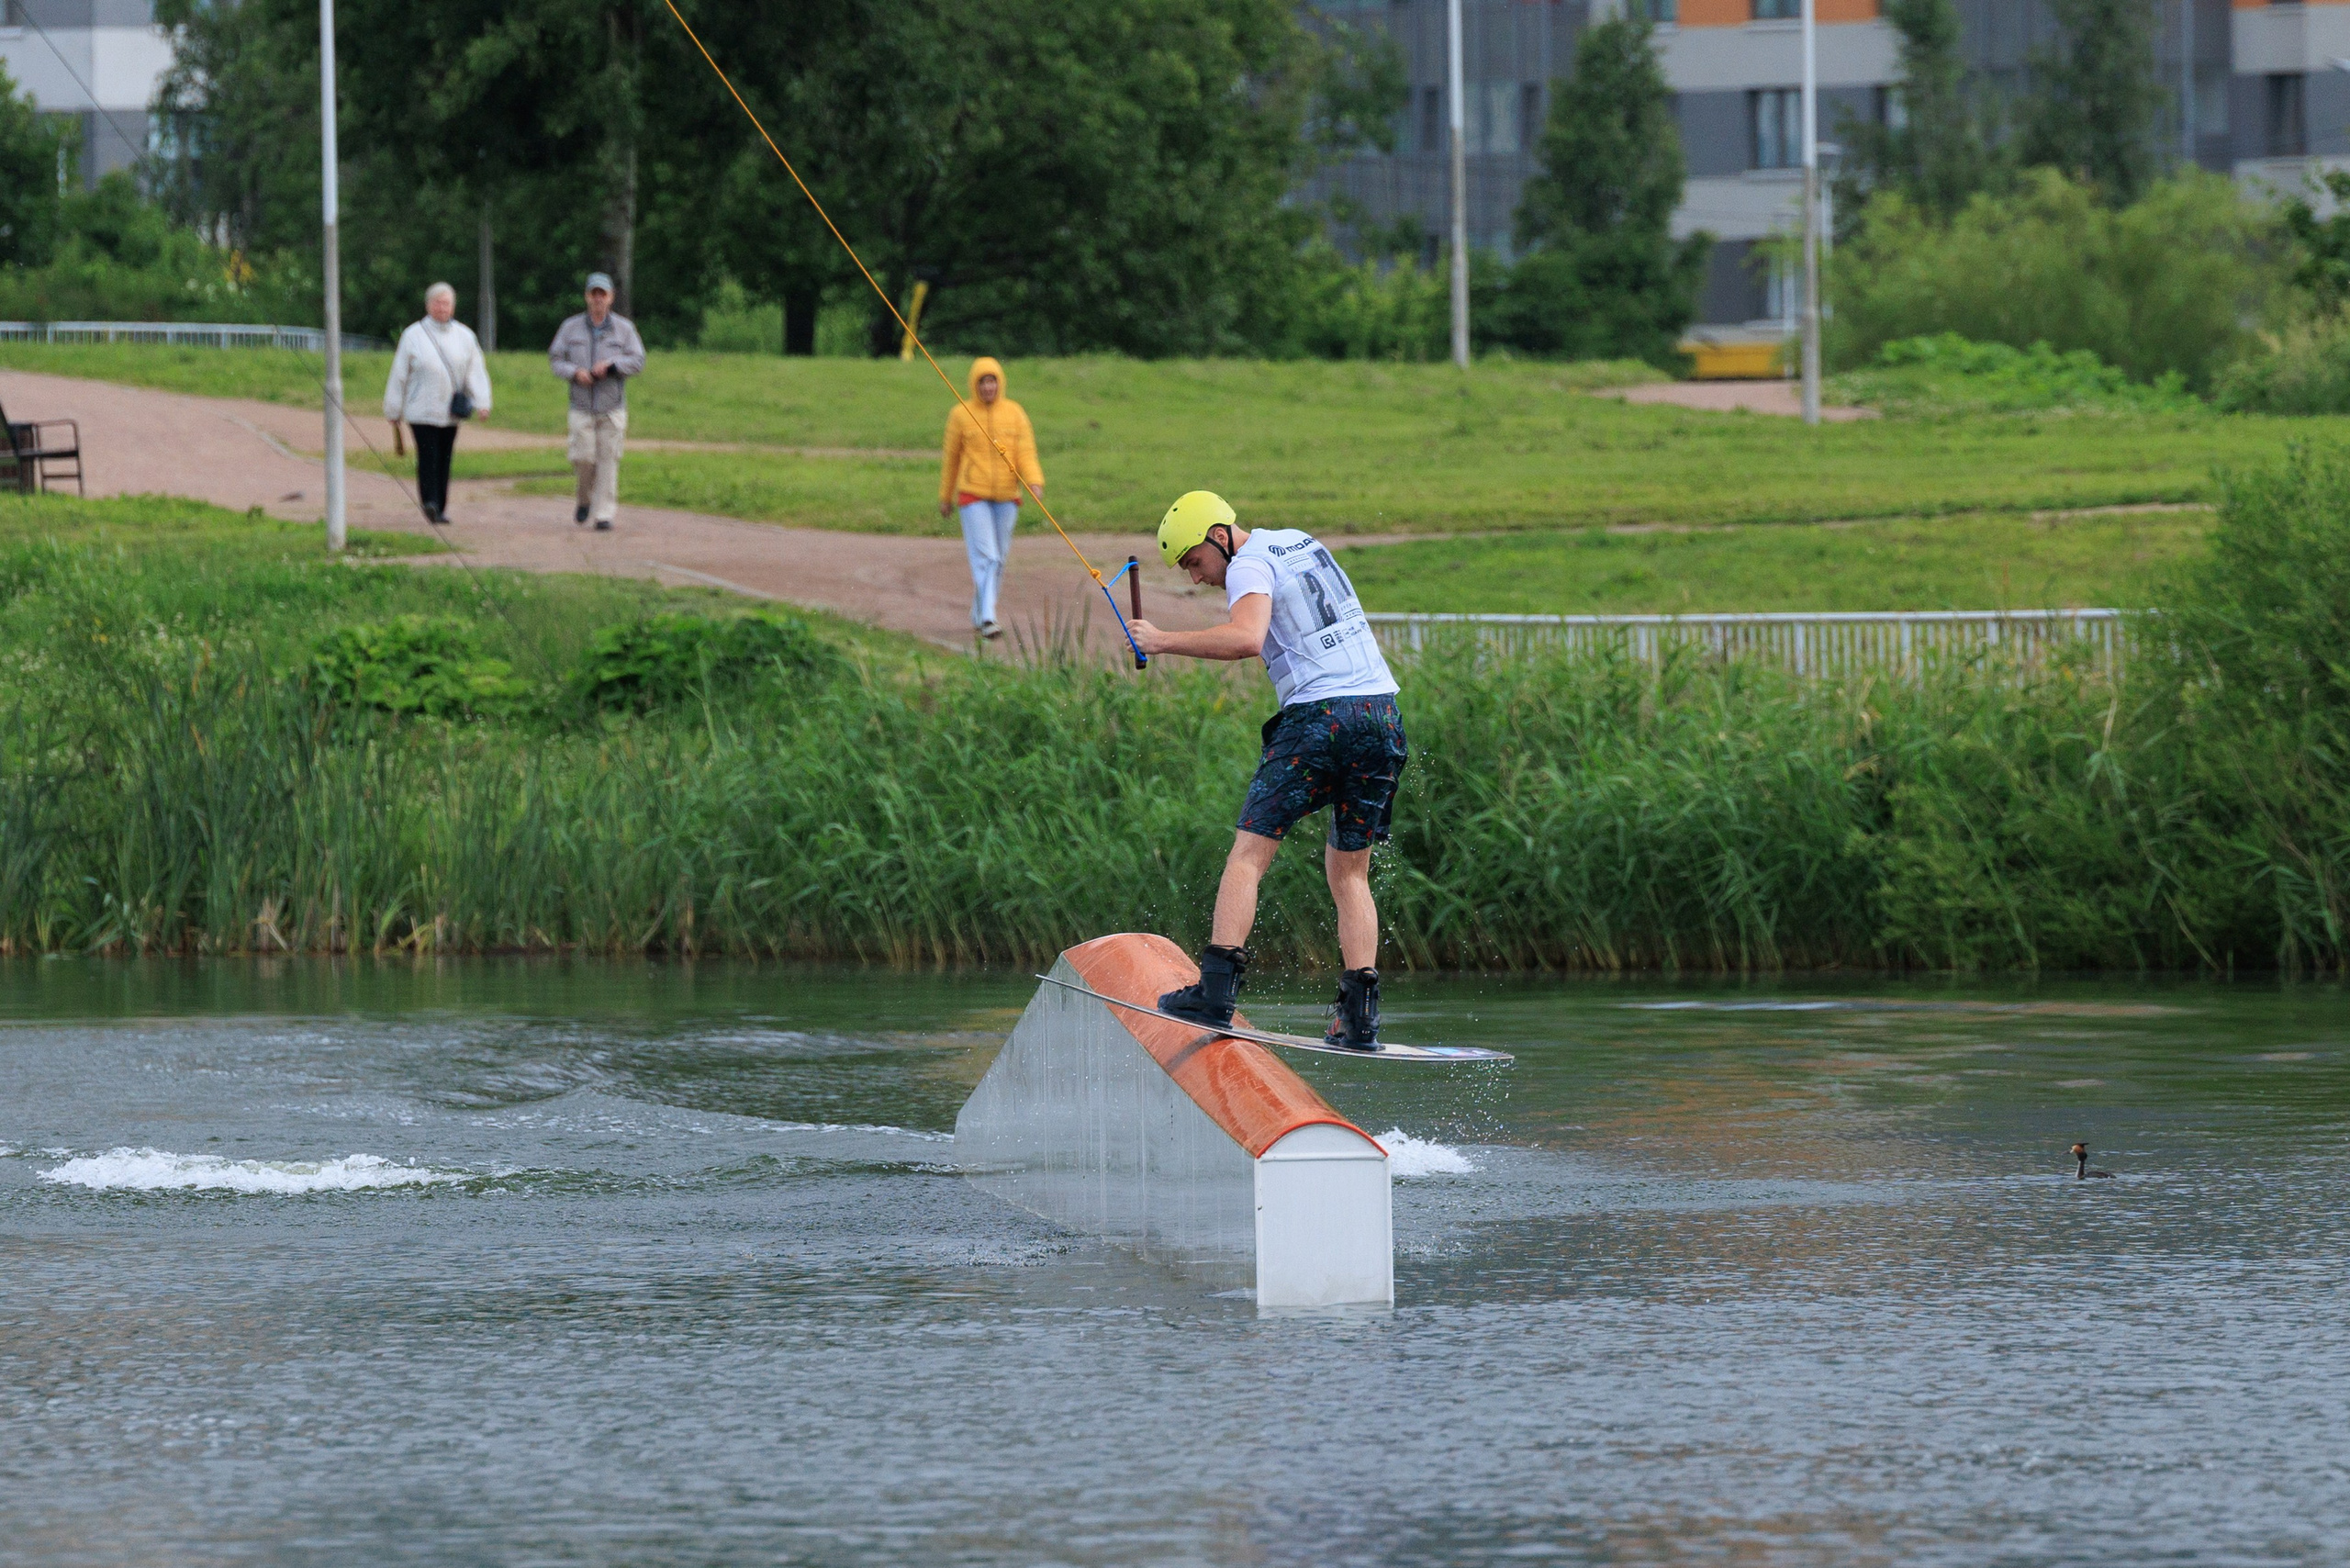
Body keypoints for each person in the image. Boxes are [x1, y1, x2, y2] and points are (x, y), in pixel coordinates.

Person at [1128, 491, 1405, 1049]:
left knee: (1249, 856)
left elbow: (1246, 638)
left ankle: (1215, 993)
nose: (1198, 578)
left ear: (1219, 536)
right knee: (1350, 874)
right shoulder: (1300, 540)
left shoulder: (1248, 563)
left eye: (1194, 562)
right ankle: (1358, 1019)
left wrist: (1162, 641)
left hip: (1320, 719)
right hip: (1382, 715)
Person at [936, 356, 1043, 640]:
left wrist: (1034, 481)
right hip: (973, 496)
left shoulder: (1015, 413)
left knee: (1000, 558)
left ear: (1000, 383)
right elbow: (951, 459)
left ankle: (979, 611)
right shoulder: (960, 414)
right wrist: (945, 496)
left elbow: (1025, 451)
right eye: (983, 382)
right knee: (987, 556)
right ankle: (988, 617)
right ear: (974, 384)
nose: (988, 387)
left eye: (992, 381)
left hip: (1007, 497)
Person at [382, 283, 491, 526]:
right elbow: (399, 373)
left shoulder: (464, 336)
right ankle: (429, 502)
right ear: (428, 305)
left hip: (450, 412)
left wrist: (482, 401)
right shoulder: (413, 335)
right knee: (428, 455)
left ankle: (440, 507)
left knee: (444, 457)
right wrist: (393, 408)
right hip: (420, 411)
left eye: (447, 303)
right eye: (438, 303)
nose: (442, 308)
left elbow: (475, 370)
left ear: (453, 306)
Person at [548, 272, 645, 532]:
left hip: (612, 406)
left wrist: (612, 367)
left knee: (608, 461)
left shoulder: (624, 329)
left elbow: (638, 360)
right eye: (594, 294)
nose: (598, 299)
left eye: (603, 294)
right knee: (583, 458)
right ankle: (584, 500)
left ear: (611, 298)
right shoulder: (570, 328)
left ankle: (604, 515)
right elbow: (555, 359)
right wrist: (575, 372)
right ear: (587, 297)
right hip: (580, 405)